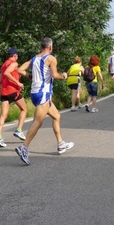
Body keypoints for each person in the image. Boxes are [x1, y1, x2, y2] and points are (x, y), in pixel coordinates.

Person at [15, 37, 74, 165]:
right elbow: (54, 75)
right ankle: (24, 147)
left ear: (41, 47)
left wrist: (30, 76)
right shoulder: (51, 58)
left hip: (35, 93)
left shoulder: (34, 58)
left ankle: (60, 144)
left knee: (56, 116)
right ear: (51, 47)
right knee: (38, 122)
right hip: (43, 93)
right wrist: (63, 76)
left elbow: (19, 70)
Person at [0, 48, 28, 147]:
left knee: (3, 115)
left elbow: (0, 81)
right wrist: (17, 82)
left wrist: (15, 77)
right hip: (13, 91)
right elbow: (7, 73)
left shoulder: (4, 65)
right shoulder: (14, 64)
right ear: (14, 55)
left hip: (4, 92)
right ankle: (19, 130)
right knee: (24, 109)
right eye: (17, 56)